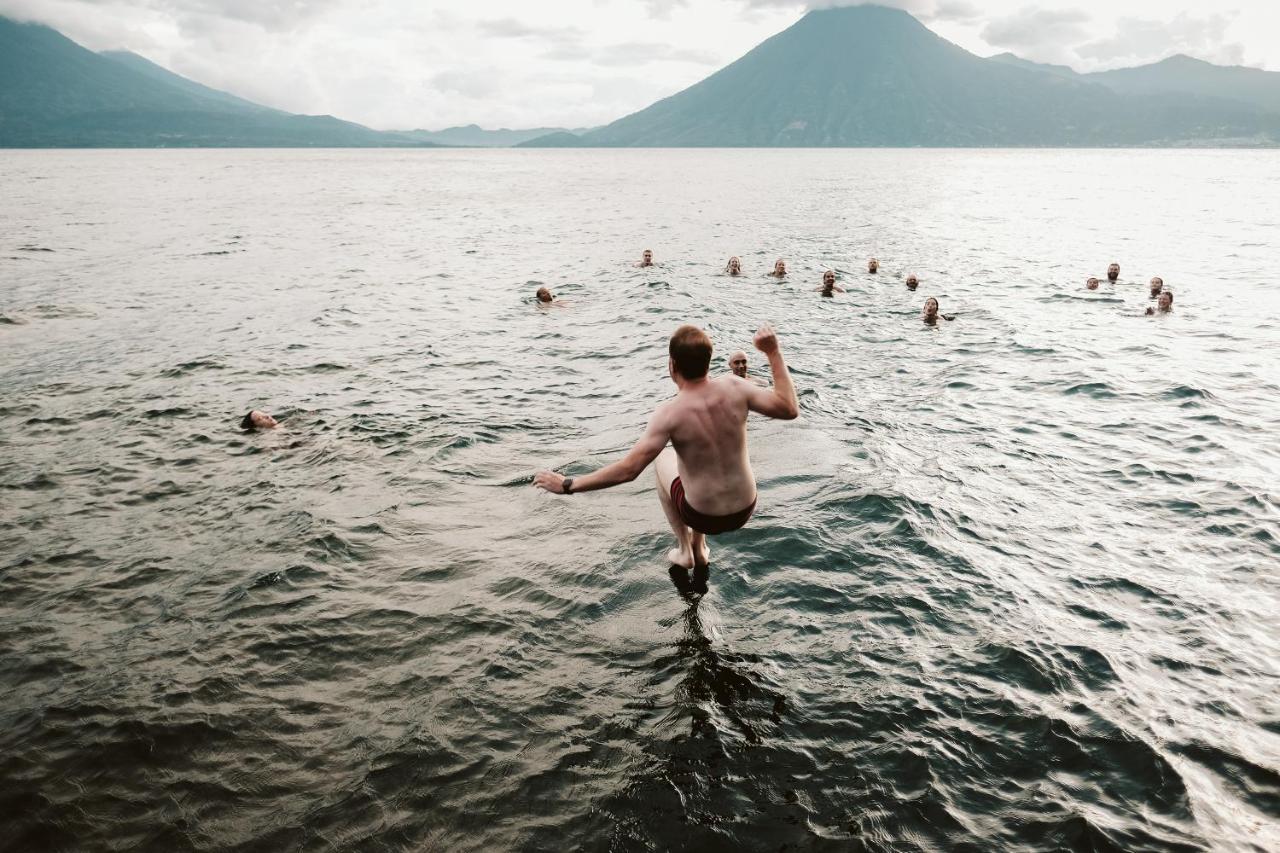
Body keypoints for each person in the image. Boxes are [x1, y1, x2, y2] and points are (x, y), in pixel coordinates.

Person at [533, 324, 799, 570]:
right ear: (708, 363)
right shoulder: (736, 386)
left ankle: (686, 549)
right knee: (691, 460)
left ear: (672, 365)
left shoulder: (669, 414)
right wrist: (773, 351)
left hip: (702, 516)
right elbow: (789, 409)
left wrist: (568, 485)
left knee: (663, 457)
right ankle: (700, 547)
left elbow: (629, 470)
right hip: (745, 508)